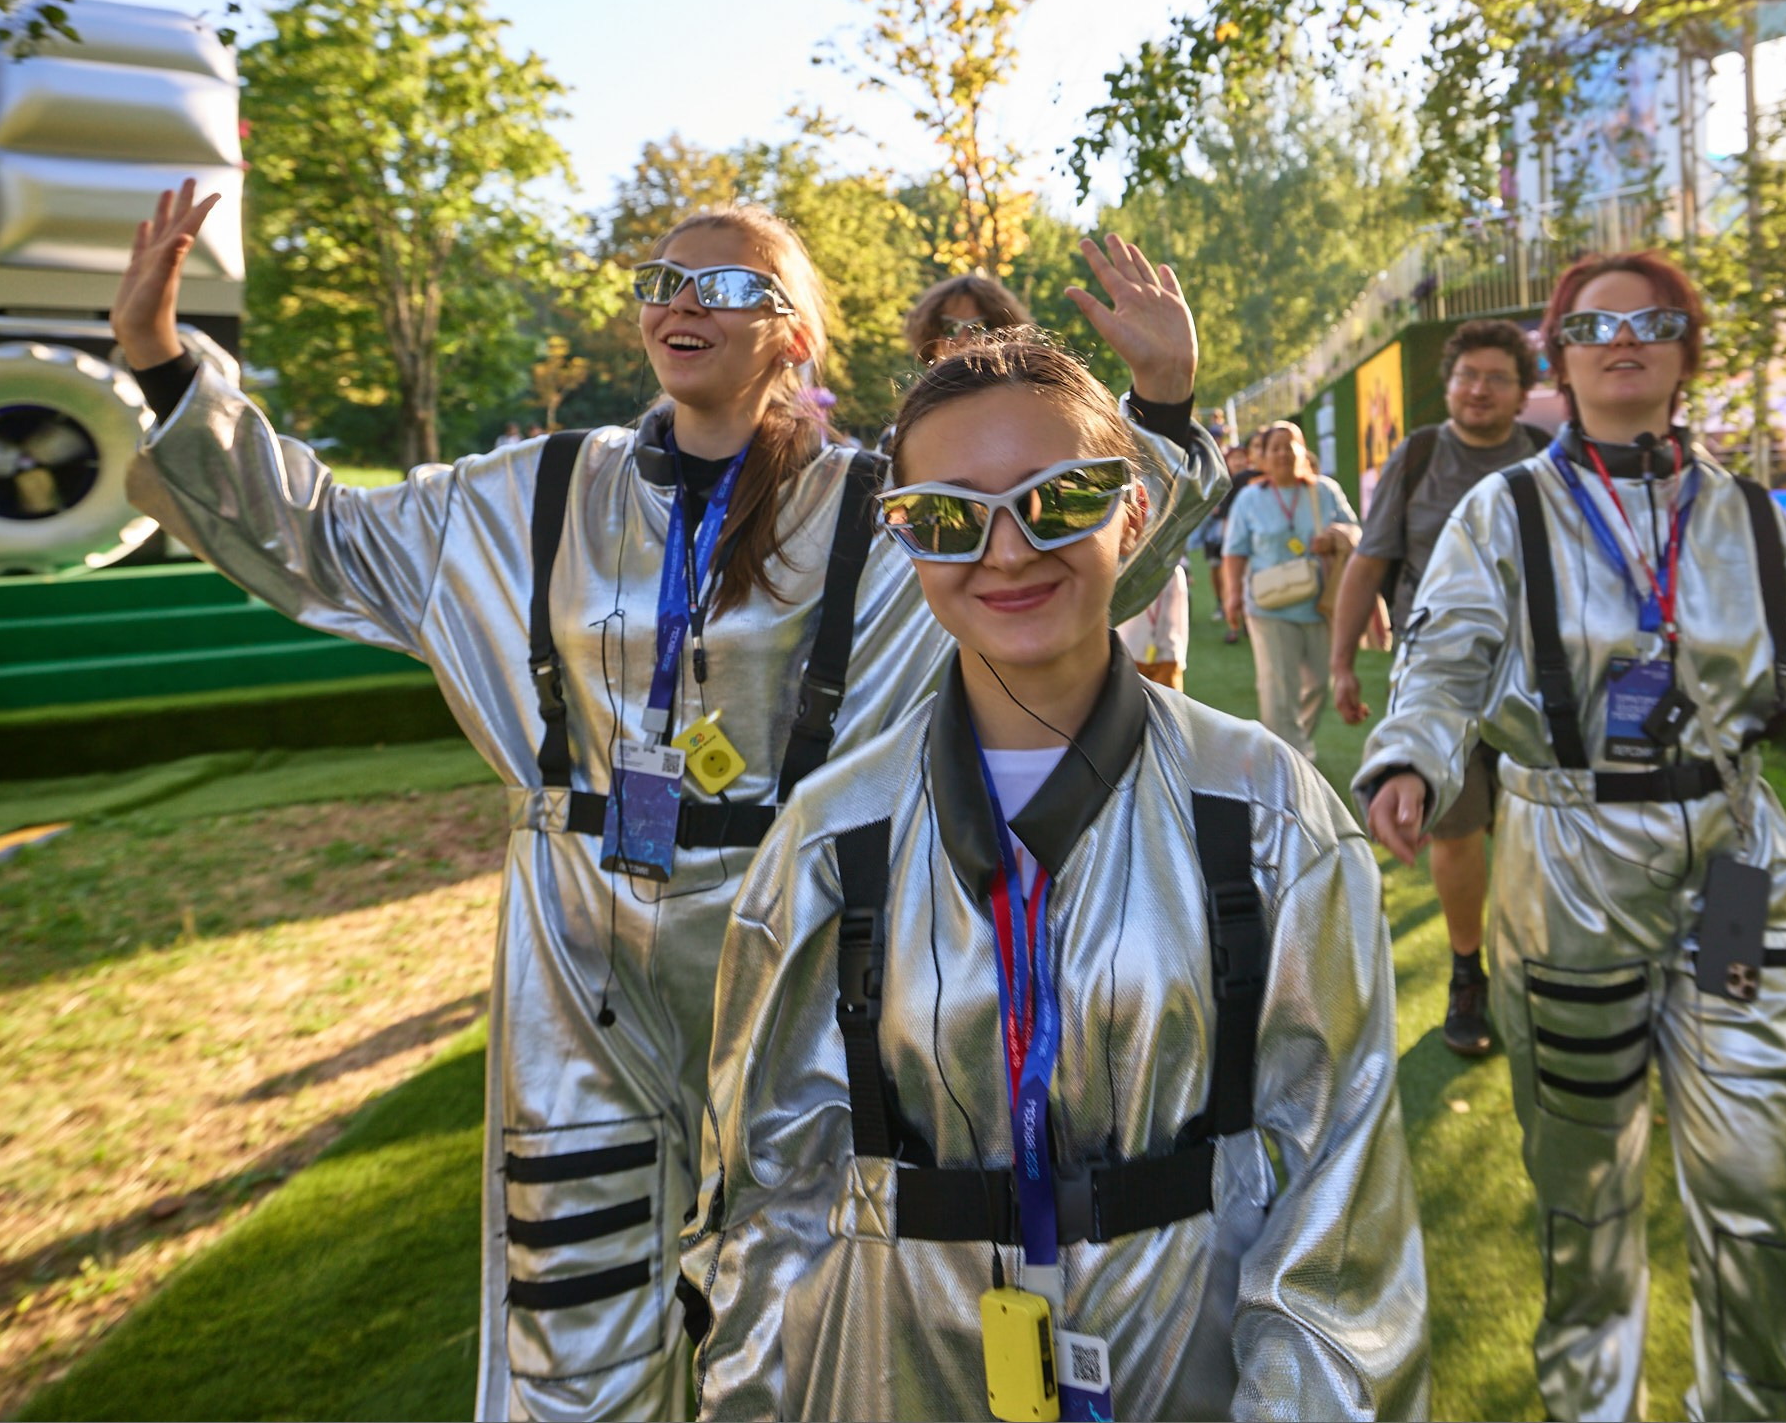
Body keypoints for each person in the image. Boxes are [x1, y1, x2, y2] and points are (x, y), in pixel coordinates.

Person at [109, 180, 1224, 1423]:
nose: (683, 302)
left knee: (804, 1274)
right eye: (662, 282)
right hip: (577, 931)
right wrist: (165, 369)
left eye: (730, 285)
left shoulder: (875, 508)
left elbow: (1071, 563)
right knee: (571, 1274)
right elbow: (314, 534)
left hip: (799, 922)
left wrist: (1162, 406)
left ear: (795, 334)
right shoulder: (534, 494)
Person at [1353, 250, 1786, 1423]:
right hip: (1570, 867)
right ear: (1560, 354)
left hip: (1732, 866)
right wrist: (1409, 757)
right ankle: (1593, 1406)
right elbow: (1442, 661)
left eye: (1653, 320)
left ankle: (1752, 1405)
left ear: (1690, 351)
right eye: (1593, 322)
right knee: (1586, 1192)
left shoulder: (1746, 518)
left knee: (1758, 1171)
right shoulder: (1503, 510)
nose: (1622, 337)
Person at [686, 330, 1428, 1421]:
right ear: (903, 542)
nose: (1006, 549)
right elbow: (769, 1195)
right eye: (946, 515)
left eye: (1058, 497)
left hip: (1195, 1355)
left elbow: (1340, 1182)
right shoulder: (830, 834)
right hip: (901, 1363)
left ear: (1134, 510)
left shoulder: (1263, 809)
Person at [1330, 319, 1550, 1057]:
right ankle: (1467, 972)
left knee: (1534, 832)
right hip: (1437, 688)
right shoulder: (1419, 454)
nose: (1478, 388)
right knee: (1454, 830)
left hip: (1536, 690)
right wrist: (1341, 663)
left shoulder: (1549, 466)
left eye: (1496, 377)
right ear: (1449, 383)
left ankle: (1540, 971)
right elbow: (1368, 562)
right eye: (1466, 375)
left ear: (1523, 393)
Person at [1222, 421, 1357, 762]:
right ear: (1263, 457)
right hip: (1268, 607)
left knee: (1319, 685)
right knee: (1278, 690)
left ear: (1303, 450)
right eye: (1275, 447)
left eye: (1290, 444)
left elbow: (1355, 531)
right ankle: (1292, 760)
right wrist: (1232, 594)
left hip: (1318, 604)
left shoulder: (1324, 491)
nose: (1283, 452)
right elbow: (1235, 551)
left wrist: (1335, 536)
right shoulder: (1250, 498)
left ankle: (1295, 743)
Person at [1203, 431, 1261, 643]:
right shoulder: (1233, 481)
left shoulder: (1261, 478)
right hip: (1227, 537)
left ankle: (1248, 621)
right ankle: (1233, 624)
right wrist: (1230, 540)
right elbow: (1226, 513)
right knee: (1230, 577)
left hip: (1257, 540)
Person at [903, 270, 1031, 365]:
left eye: (980, 327)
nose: (964, 339)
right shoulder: (920, 401)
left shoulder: (1028, 398)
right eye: (951, 327)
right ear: (931, 343)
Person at [1116, 554, 1190, 689]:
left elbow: (1180, 619)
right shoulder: (1127, 571)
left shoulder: (1174, 573)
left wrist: (1179, 655)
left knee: (1168, 706)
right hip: (1131, 651)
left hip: (1167, 652)